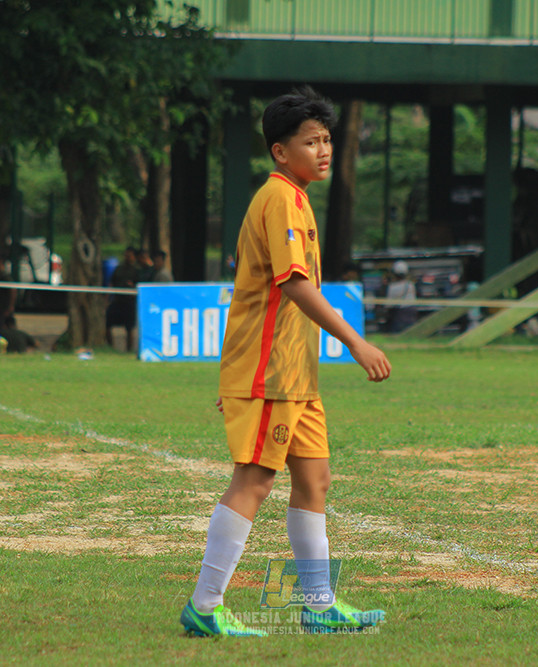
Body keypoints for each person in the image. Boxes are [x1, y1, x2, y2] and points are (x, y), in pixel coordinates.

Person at [180, 87, 392, 638]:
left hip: (296, 374)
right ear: (280, 151)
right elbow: (294, 285)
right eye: (311, 141)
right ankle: (205, 605)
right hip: (269, 371)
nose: (323, 150)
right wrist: (355, 340)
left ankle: (318, 605)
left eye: (327, 140)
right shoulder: (278, 199)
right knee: (253, 479)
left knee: (314, 479)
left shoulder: (297, 199)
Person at [105, 246, 139, 352]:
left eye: (130, 255)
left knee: (129, 329)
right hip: (117, 301)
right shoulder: (119, 268)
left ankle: (128, 350)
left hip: (129, 302)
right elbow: (112, 282)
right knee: (107, 325)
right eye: (126, 255)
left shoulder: (137, 270)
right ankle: (110, 348)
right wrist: (107, 298)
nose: (127, 257)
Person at [385, 260, 417, 333]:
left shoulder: (392, 287)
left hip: (398, 315)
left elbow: (388, 305)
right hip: (410, 313)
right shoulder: (411, 285)